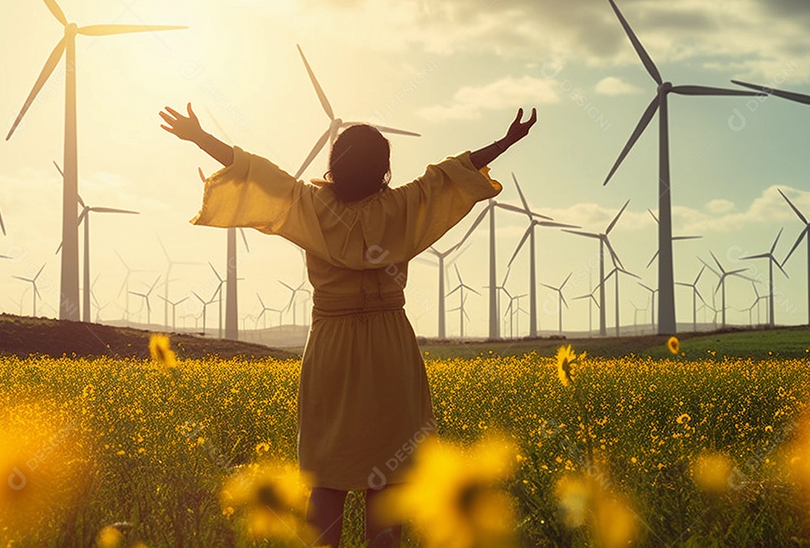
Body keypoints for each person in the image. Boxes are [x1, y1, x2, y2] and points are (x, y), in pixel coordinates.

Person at [159, 102, 536, 547]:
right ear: (384, 169)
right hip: (390, 345)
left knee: (326, 474)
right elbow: (453, 174)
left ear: (335, 164)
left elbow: (254, 171)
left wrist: (201, 137)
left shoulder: (309, 205)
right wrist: (505, 141)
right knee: (390, 476)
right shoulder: (402, 205)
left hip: (331, 346)